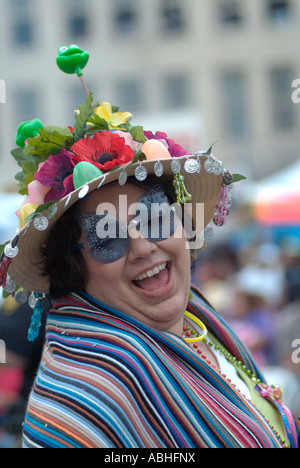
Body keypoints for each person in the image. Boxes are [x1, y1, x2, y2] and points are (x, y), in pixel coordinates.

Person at [1, 47, 299, 449]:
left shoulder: (196, 318)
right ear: (74, 267)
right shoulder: (87, 394)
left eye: (155, 218)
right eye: (107, 236)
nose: (142, 246)